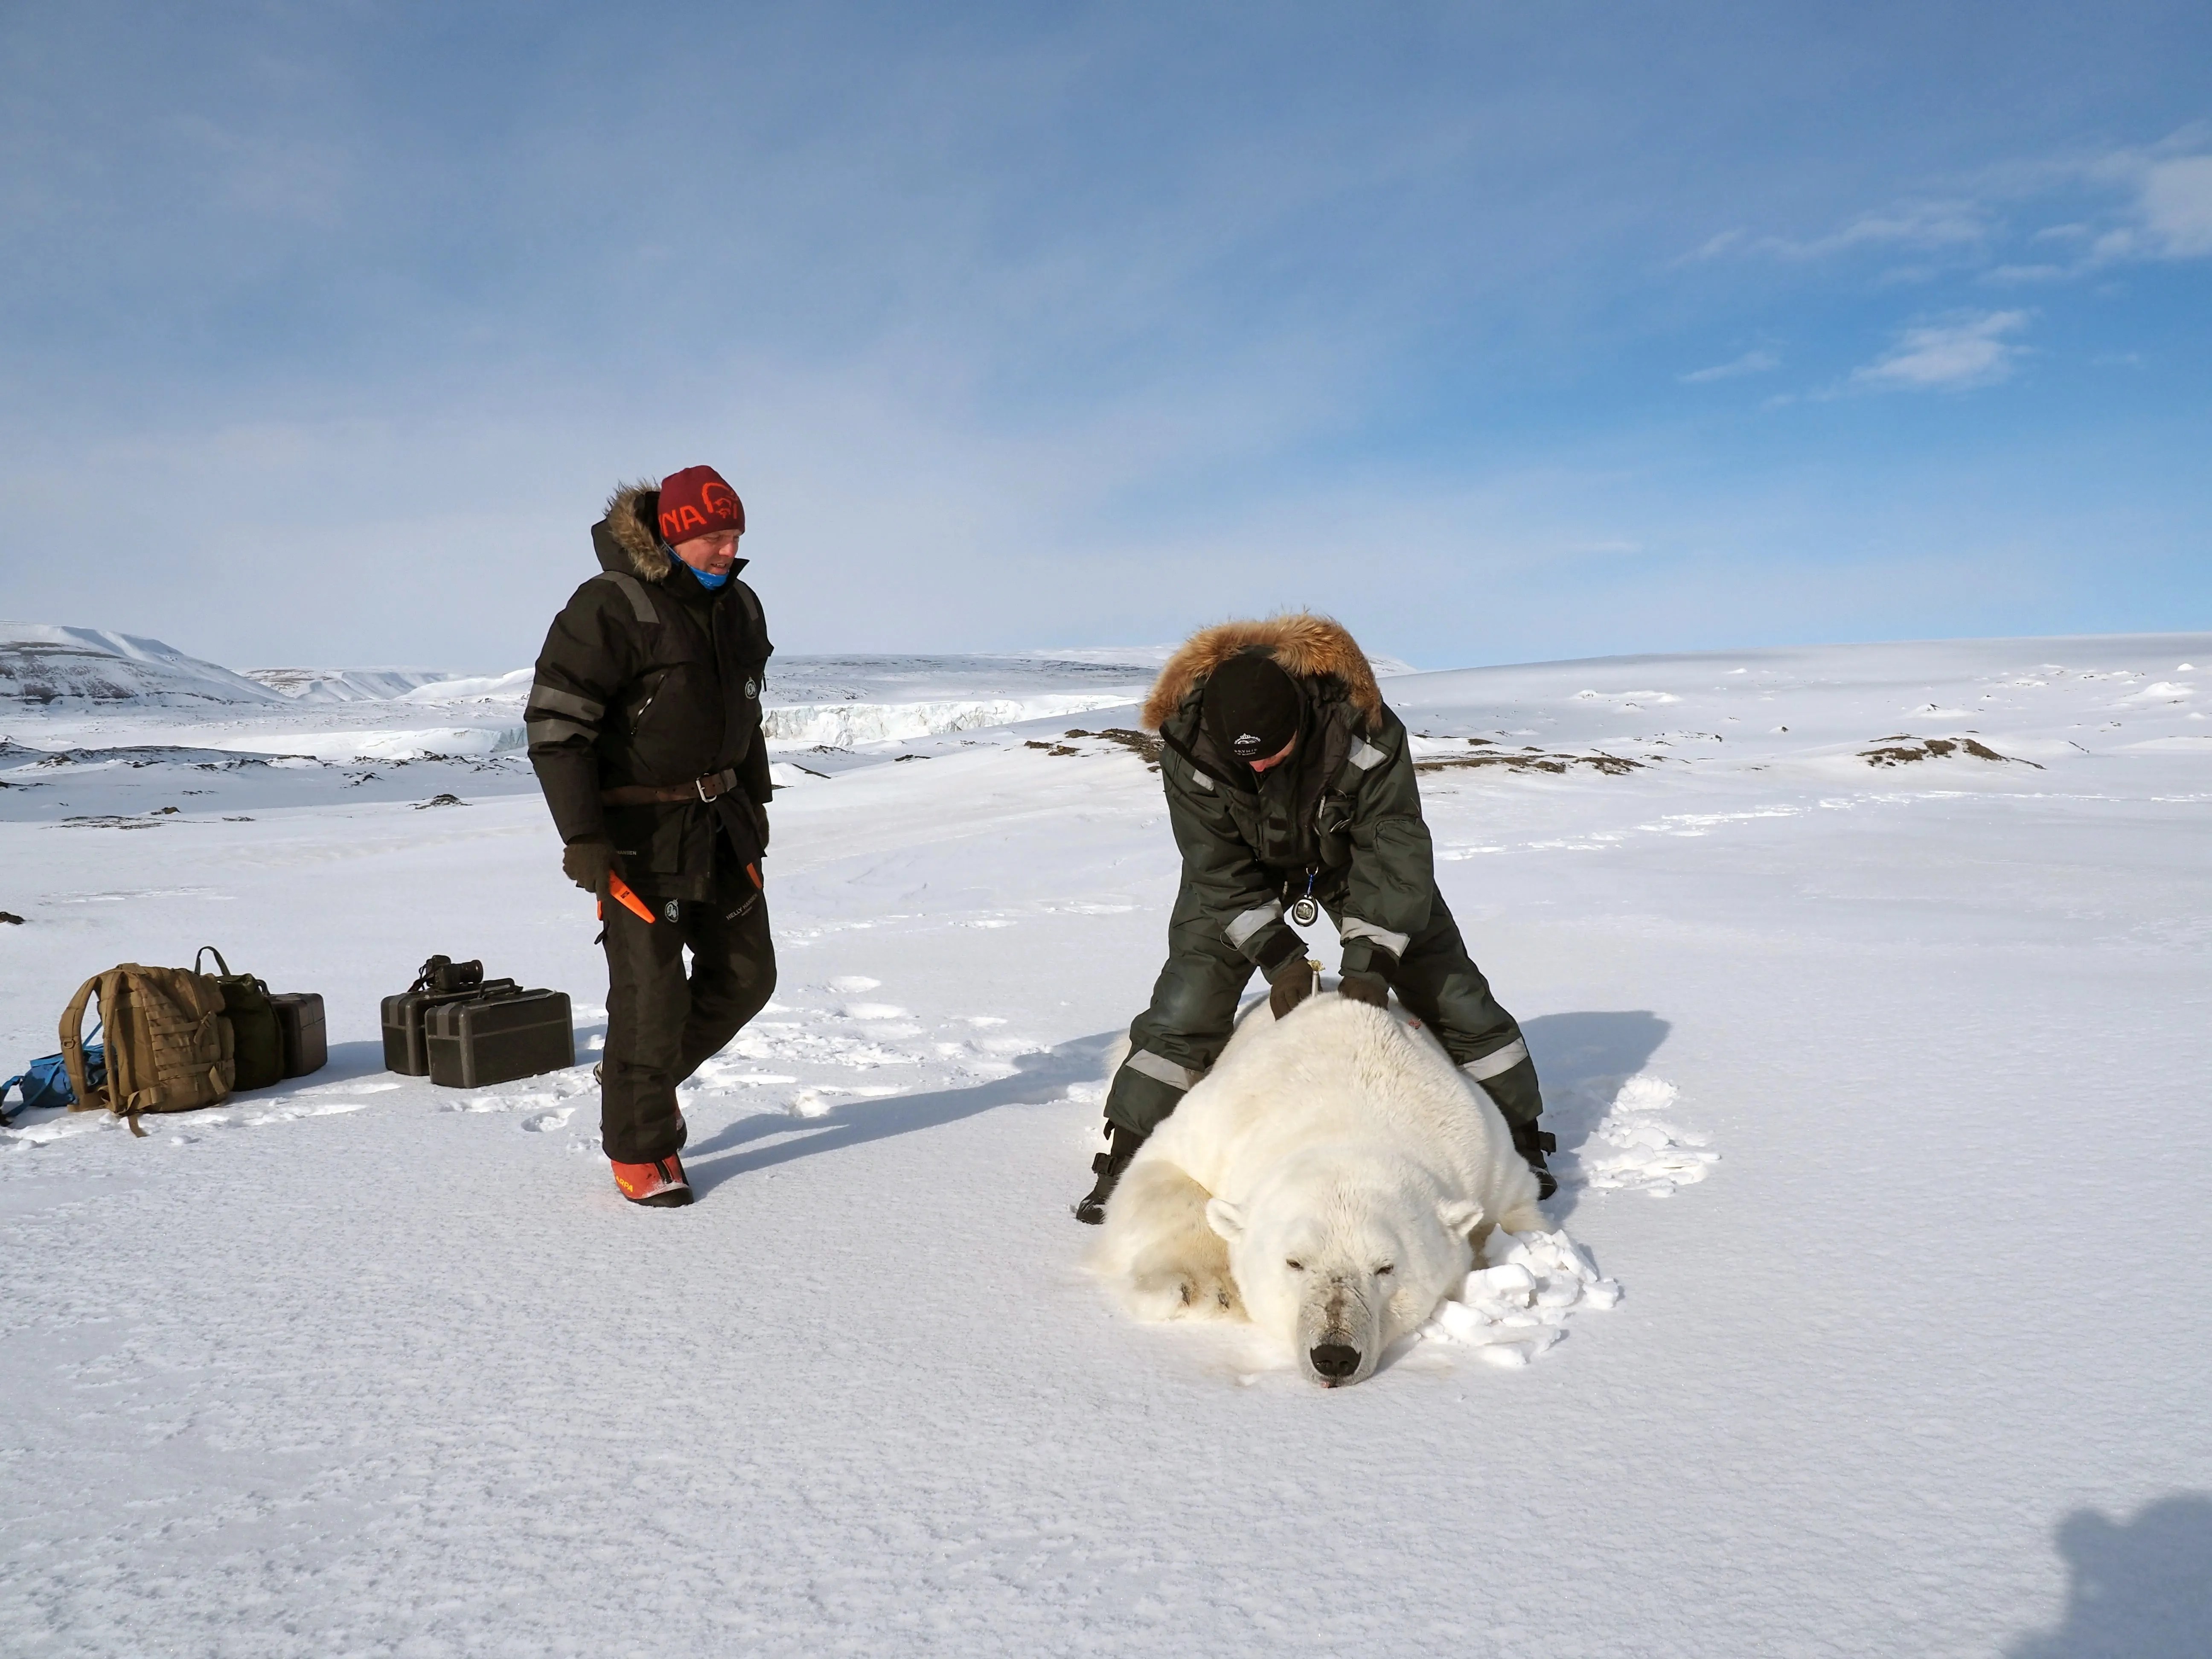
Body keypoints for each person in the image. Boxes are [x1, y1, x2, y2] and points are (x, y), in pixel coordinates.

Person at [1075, 614, 1555, 1224]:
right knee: (1189, 1001)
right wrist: (1279, 957)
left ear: (1300, 722)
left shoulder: (1366, 733)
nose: (1256, 771)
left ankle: (1520, 1137)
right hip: (1240, 872)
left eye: (1271, 755)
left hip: (1351, 861)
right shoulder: (1189, 746)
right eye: (1242, 760)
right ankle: (1127, 1153)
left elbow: (1393, 851)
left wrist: (1372, 961)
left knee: (1449, 987)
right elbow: (1215, 868)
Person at [525, 467, 776, 1208]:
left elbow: (748, 717)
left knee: (747, 978)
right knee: (650, 1001)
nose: (728, 550)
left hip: (724, 827)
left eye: (735, 535)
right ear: (671, 531)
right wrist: (584, 836)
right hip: (639, 836)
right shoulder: (611, 605)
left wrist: (756, 812)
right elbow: (556, 729)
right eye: (712, 536)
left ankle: (644, 1080)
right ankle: (641, 1146)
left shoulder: (741, 607)